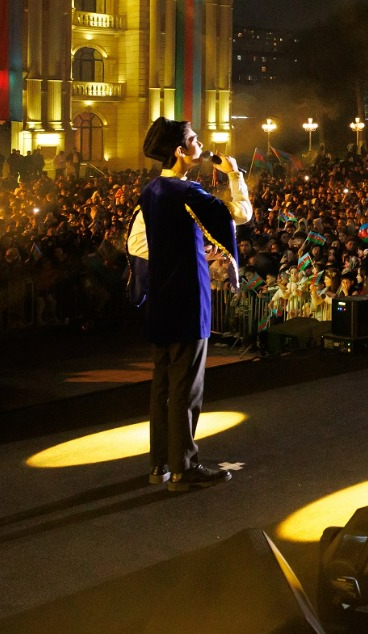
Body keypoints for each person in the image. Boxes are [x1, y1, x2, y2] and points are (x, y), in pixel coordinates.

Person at [137, 117, 251, 492]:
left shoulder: (151, 189)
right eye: (193, 139)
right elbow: (240, 216)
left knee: (163, 386)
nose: (200, 144)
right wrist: (234, 175)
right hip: (188, 297)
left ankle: (160, 465)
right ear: (179, 150)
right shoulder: (185, 192)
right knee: (187, 387)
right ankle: (184, 467)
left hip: (161, 296)